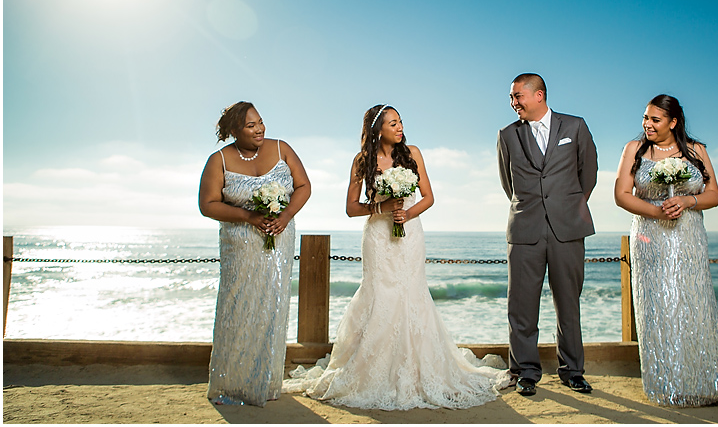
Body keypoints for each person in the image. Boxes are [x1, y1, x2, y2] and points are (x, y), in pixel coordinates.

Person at [283, 104, 511, 410]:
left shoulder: (413, 153)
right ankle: (373, 373)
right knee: (379, 295)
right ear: (378, 129)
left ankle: (420, 372)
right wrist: (383, 208)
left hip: (410, 236)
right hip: (378, 237)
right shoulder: (362, 160)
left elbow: (428, 197)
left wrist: (406, 213)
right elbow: (351, 207)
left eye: (401, 121)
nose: (400, 127)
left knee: (412, 295)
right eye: (393, 123)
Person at [613, 94, 718, 407]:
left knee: (693, 303)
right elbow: (622, 196)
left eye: (655, 120)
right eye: (645, 118)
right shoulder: (634, 149)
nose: (646, 125)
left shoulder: (696, 151)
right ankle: (665, 384)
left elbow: (714, 195)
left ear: (673, 122)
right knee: (658, 307)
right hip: (650, 238)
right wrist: (658, 212)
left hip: (689, 237)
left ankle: (704, 382)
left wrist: (688, 201)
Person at [199, 101, 312, 407]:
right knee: (237, 307)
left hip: (279, 239)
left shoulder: (282, 149)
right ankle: (230, 384)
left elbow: (303, 186)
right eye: (250, 125)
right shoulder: (218, 160)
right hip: (240, 244)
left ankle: (267, 382)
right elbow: (207, 204)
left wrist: (285, 216)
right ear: (235, 130)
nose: (260, 129)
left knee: (272, 306)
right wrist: (248, 217)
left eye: (260, 122)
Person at [497, 74, 598, 397]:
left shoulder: (575, 127)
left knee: (568, 304)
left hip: (567, 228)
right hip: (525, 230)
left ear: (538, 95)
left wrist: (565, 207)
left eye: (517, 96)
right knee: (521, 306)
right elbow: (507, 183)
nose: (513, 103)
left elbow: (588, 174)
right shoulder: (507, 135)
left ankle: (573, 371)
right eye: (511, 98)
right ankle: (525, 371)